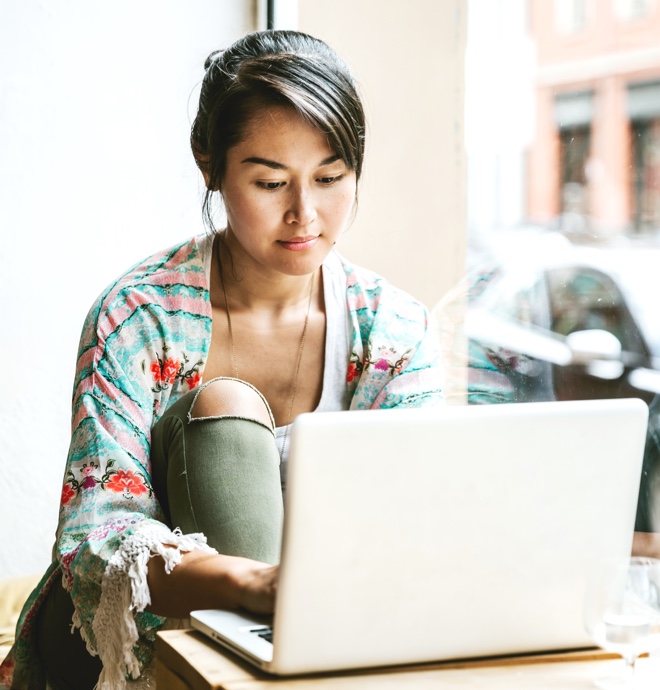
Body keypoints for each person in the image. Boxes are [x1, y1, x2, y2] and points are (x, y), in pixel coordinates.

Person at [0, 29, 443, 690]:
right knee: (226, 406)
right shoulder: (140, 316)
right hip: (119, 657)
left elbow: (413, 516)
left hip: (315, 645)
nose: (305, 215)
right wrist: (251, 582)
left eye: (330, 178)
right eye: (270, 181)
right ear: (209, 164)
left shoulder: (394, 330)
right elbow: (92, 544)